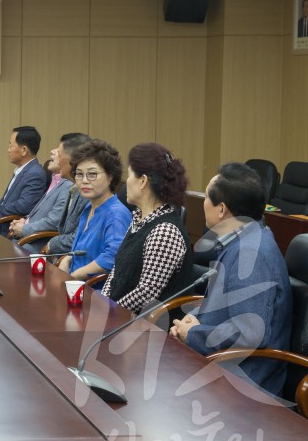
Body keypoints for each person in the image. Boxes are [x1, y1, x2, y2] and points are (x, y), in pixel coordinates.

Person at [171, 163, 292, 396]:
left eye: (206, 197)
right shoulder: (243, 239)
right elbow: (227, 305)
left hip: (244, 381)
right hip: (221, 363)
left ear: (222, 209)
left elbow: (249, 333)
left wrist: (194, 334)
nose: (203, 203)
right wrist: (193, 318)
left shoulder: (252, 255)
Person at [103, 143, 193, 312]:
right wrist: (104, 302)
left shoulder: (165, 231)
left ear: (143, 181)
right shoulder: (138, 218)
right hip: (122, 319)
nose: (126, 182)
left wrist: (111, 312)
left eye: (129, 175)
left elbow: (146, 293)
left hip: (152, 328)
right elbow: (117, 271)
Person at [58, 139, 132, 281]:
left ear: (110, 176)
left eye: (92, 174)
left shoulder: (116, 213)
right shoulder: (88, 207)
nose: (84, 180)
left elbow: (112, 257)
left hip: (97, 294)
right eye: (79, 174)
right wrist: (67, 259)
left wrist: (74, 276)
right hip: (76, 286)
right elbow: (81, 251)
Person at [8, 132, 87, 249]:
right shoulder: (65, 185)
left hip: (41, 242)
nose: (57, 159)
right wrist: (24, 222)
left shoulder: (79, 191)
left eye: (59, 155)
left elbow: (58, 225)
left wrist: (50, 245)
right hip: (38, 238)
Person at [0, 126, 46, 233]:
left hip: (10, 231)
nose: (8, 150)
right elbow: (7, 200)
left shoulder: (35, 173)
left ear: (23, 150)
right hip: (1, 225)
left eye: (10, 146)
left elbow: (24, 206)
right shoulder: (22, 170)